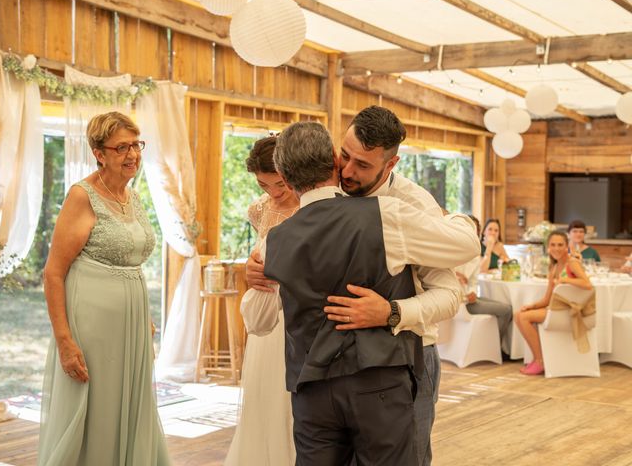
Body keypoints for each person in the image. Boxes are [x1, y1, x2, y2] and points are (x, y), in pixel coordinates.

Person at [246, 105, 472, 466]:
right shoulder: (294, 223)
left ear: (391, 164)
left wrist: (393, 311)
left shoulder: (407, 207)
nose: (348, 172)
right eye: (344, 156)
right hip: (322, 382)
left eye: (363, 165)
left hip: (402, 357)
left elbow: (449, 292)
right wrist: (258, 269)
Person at [39, 112, 170, 465]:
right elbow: (53, 274)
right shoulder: (83, 196)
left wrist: (142, 315)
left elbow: (130, 260)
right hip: (91, 327)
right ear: (99, 153)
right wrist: (65, 342)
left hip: (131, 325)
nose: (132, 155)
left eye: (136, 145)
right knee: (97, 411)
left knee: (129, 405)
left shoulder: (132, 196)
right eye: (122, 147)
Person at [224, 136, 299, 466]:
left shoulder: (311, 206)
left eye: (279, 184)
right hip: (265, 318)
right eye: (263, 184)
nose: (273, 192)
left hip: (296, 313)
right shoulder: (258, 209)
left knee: (289, 401)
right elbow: (258, 256)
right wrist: (249, 269)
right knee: (263, 397)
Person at [513, 230, 592, 376]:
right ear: (548, 247)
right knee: (518, 314)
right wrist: (531, 306)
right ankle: (538, 358)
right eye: (553, 245)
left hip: (569, 312)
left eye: (560, 245)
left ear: (567, 246)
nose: (556, 248)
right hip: (556, 309)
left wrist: (565, 280)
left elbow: (587, 284)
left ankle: (539, 360)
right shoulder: (554, 268)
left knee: (523, 318)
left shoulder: (572, 263)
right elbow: (546, 300)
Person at [455, 215, 512, 357]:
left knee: (507, 307)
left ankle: (495, 347)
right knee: (506, 311)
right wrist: (458, 279)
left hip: (471, 298)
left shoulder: (474, 254)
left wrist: (472, 292)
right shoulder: (453, 251)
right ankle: (494, 349)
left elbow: (473, 281)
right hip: (460, 302)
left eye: (474, 229)